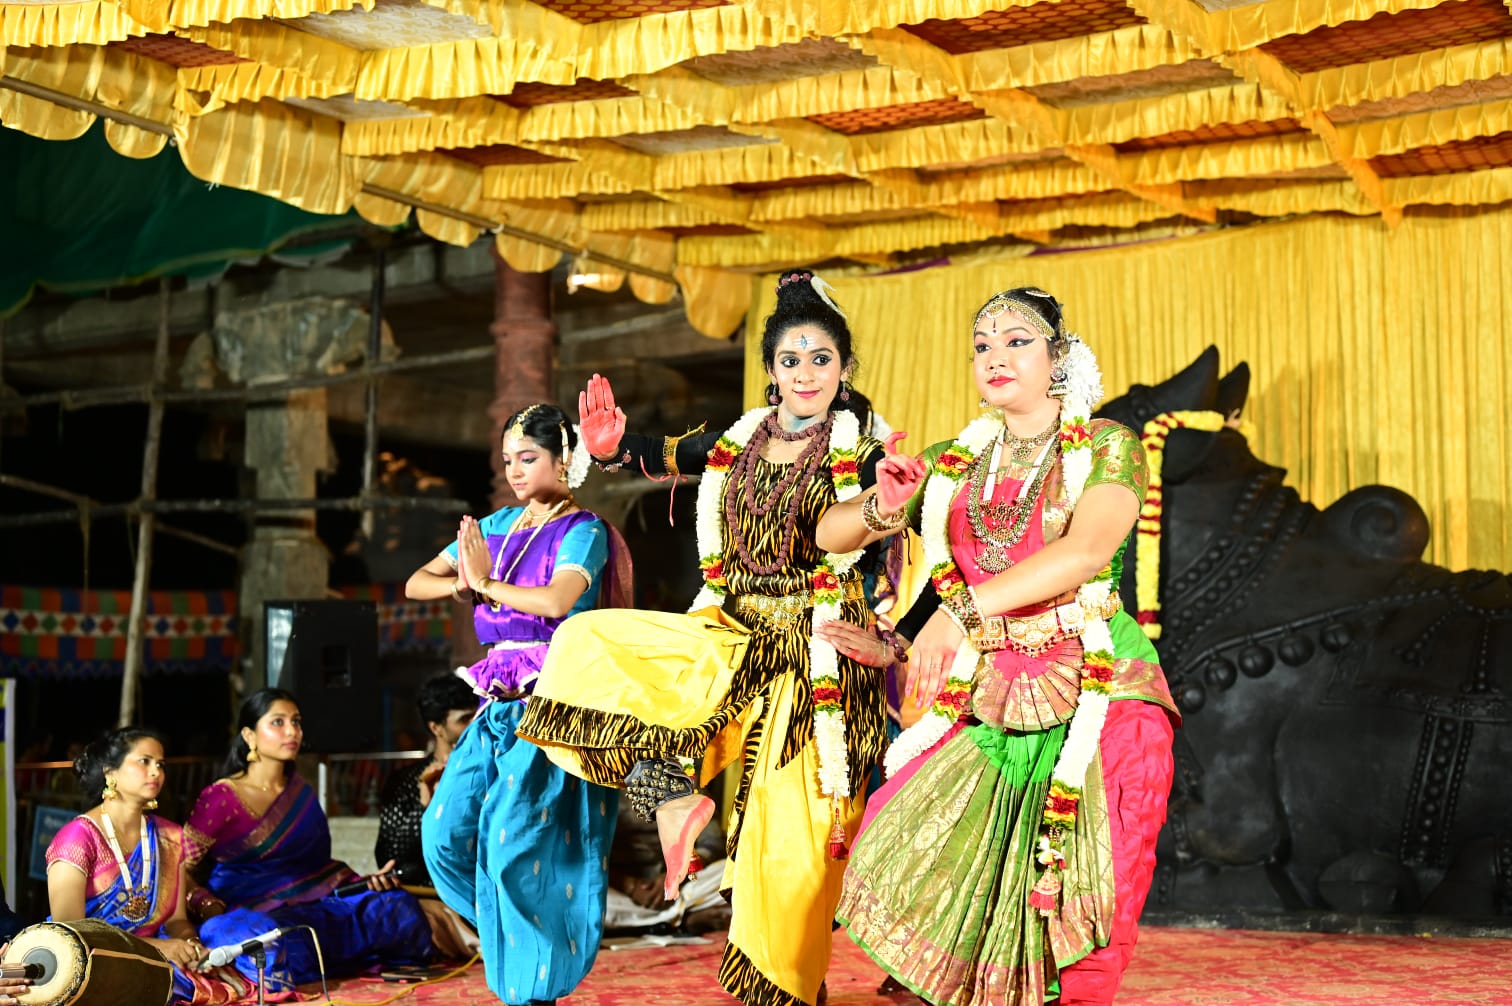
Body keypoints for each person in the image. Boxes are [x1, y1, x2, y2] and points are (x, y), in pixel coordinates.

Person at [516, 270, 890, 1006]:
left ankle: (780, 989)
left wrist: (887, 505)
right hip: (726, 630)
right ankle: (668, 800)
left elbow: (882, 514)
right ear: (772, 373)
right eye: (790, 359)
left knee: (786, 849)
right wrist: (617, 445)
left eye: (821, 358)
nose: (805, 372)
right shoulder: (740, 438)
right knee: (584, 652)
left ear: (843, 370)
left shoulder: (865, 451)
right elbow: (665, 452)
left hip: (814, 658)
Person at [823, 287, 1179, 1005]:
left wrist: (958, 610)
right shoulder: (955, 461)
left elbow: (1085, 551)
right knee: (906, 842)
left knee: (1087, 884)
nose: (995, 355)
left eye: (1017, 341)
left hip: (1100, 690)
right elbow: (832, 535)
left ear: (1058, 360)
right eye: (982, 345)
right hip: (989, 692)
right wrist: (883, 507)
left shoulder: (1108, 445)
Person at [406, 402, 630, 1006]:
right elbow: (415, 581)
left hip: (554, 702)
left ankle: (535, 989)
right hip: (496, 701)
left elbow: (558, 602)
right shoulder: (497, 524)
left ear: (566, 459)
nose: (515, 471)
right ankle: (522, 948)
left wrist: (484, 586)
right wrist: (459, 581)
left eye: (528, 458)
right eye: (508, 460)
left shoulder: (581, 530)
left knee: (511, 841)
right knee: (443, 833)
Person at [184, 689, 434, 989]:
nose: (292, 731)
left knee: (396, 905)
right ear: (249, 735)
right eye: (278, 722)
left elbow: (319, 868)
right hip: (252, 907)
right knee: (273, 937)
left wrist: (364, 883)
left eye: (297, 722)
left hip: (314, 903)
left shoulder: (300, 790)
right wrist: (206, 903)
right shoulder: (221, 797)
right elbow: (180, 867)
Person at [45, 728, 258, 1005]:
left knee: (227, 981)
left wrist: (190, 946)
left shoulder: (169, 837)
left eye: (160, 764)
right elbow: (72, 935)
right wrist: (158, 948)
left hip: (154, 959)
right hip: (91, 962)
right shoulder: (77, 839)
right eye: (144, 761)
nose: (155, 771)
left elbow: (177, 920)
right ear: (111, 773)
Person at [375, 672, 479, 885]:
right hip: (428, 893)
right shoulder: (404, 782)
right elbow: (388, 857)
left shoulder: (489, 773)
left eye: (477, 716)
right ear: (436, 727)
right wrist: (425, 805)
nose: (475, 725)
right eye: (464, 719)